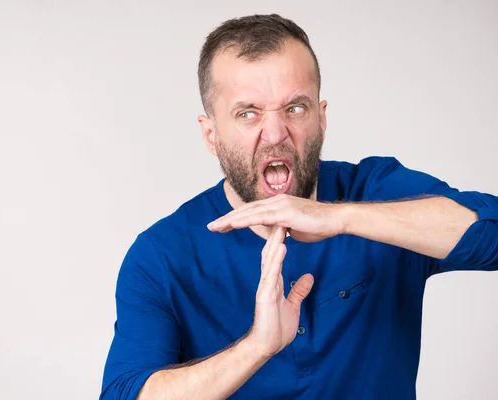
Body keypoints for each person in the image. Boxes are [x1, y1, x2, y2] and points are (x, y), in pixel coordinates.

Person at [99, 14, 498, 400]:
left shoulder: (378, 191)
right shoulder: (162, 255)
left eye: (295, 108)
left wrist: (341, 217)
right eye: (247, 114)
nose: (275, 134)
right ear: (211, 134)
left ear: (320, 119)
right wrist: (256, 347)